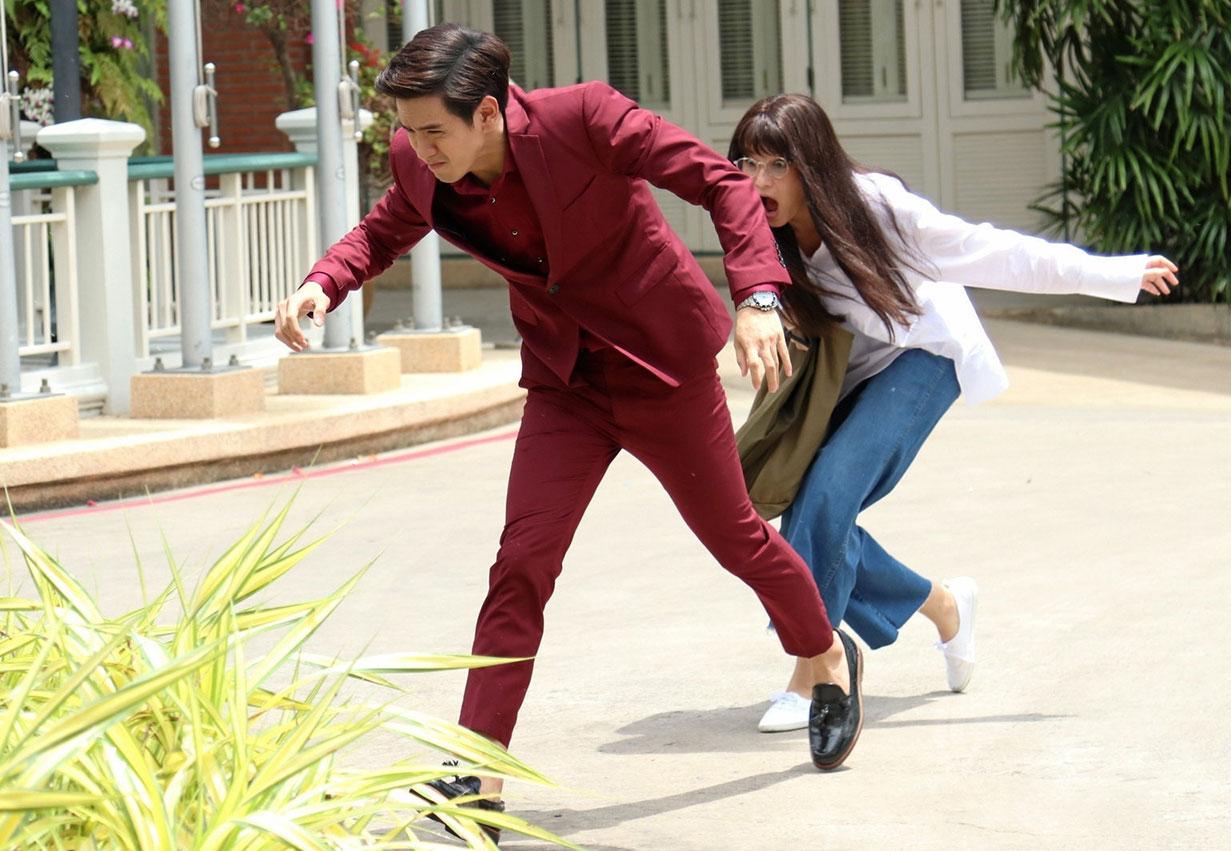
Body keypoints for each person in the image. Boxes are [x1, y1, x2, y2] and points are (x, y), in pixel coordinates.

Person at [273, 25, 863, 828]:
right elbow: (383, 230)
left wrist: (757, 297)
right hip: (566, 382)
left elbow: (721, 184)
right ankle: (478, 776)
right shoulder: (421, 162)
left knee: (735, 537)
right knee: (521, 563)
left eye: (433, 130)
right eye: (407, 130)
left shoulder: (585, 117)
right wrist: (324, 282)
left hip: (660, 364)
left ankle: (824, 651)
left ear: (488, 113)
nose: (417, 147)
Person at [727, 94, 1180, 733]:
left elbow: (991, 251)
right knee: (812, 513)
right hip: (847, 373)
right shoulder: (759, 232)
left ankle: (815, 675)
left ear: (813, 164)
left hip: (925, 355)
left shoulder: (875, 209)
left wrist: (1111, 275)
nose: (759, 182)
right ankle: (945, 608)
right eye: (747, 164)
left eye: (778, 165)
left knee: (828, 496)